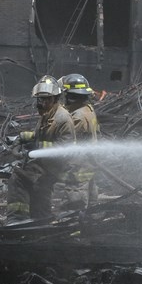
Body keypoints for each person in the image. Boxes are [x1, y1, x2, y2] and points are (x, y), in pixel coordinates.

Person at [5, 75, 76, 221]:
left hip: (54, 167)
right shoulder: (47, 114)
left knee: (18, 179)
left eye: (46, 99)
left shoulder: (62, 118)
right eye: (40, 99)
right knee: (39, 194)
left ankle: (17, 219)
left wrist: (36, 148)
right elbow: (39, 136)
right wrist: (23, 137)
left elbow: (65, 149)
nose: (42, 103)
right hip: (42, 165)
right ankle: (40, 221)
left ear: (55, 99)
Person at [59, 73, 100, 209]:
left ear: (70, 97)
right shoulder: (88, 110)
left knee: (75, 198)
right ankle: (91, 223)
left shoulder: (78, 116)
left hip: (78, 164)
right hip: (89, 161)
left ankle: (75, 228)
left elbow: (67, 140)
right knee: (91, 196)